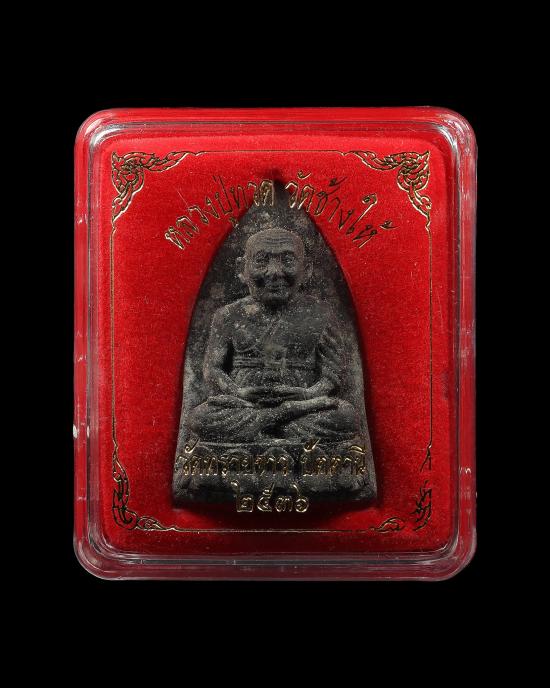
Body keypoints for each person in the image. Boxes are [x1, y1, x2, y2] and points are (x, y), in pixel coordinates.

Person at [188, 227, 359, 443]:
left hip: (303, 405)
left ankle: (265, 427)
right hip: (246, 405)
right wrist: (238, 393)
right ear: (242, 269)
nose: (274, 271)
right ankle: (280, 421)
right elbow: (212, 370)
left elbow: (332, 375)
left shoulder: (320, 314)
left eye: (287, 261)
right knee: (200, 418)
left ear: (306, 269)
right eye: (261, 261)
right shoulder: (228, 315)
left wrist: (307, 395)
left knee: (346, 416)